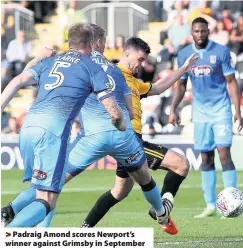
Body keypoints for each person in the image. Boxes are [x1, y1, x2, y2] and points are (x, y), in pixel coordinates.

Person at [1, 22, 125, 227]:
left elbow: (17, 80)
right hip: (52, 134)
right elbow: (114, 111)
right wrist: (121, 125)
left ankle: (11, 219)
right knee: (47, 200)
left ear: (70, 41)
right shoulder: (93, 67)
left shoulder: (49, 62)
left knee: (41, 190)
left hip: (27, 130)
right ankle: (8, 239)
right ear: (92, 43)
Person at [78, 37, 198, 228]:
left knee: (119, 192)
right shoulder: (112, 74)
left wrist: (183, 69)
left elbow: (157, 88)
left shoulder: (133, 81)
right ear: (126, 54)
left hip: (126, 140)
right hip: (129, 140)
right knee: (182, 164)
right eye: (140, 59)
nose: (142, 64)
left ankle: (85, 227)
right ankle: (161, 212)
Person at [169, 17, 243, 218]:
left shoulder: (221, 51)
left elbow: (231, 81)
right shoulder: (184, 54)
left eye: (203, 31)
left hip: (221, 110)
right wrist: (173, 108)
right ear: (191, 32)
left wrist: (237, 109)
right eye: (196, 31)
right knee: (206, 158)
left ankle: (232, 204)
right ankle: (210, 205)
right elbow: (181, 85)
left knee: (224, 154)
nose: (200, 34)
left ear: (208, 31)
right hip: (200, 113)